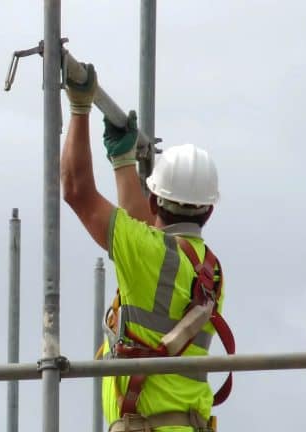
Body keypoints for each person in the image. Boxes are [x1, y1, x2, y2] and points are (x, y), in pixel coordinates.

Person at [60, 64, 228, 432]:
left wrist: (79, 108)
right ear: (209, 211)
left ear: (155, 201)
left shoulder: (151, 254)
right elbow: (142, 232)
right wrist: (123, 162)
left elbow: (77, 191)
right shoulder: (211, 270)